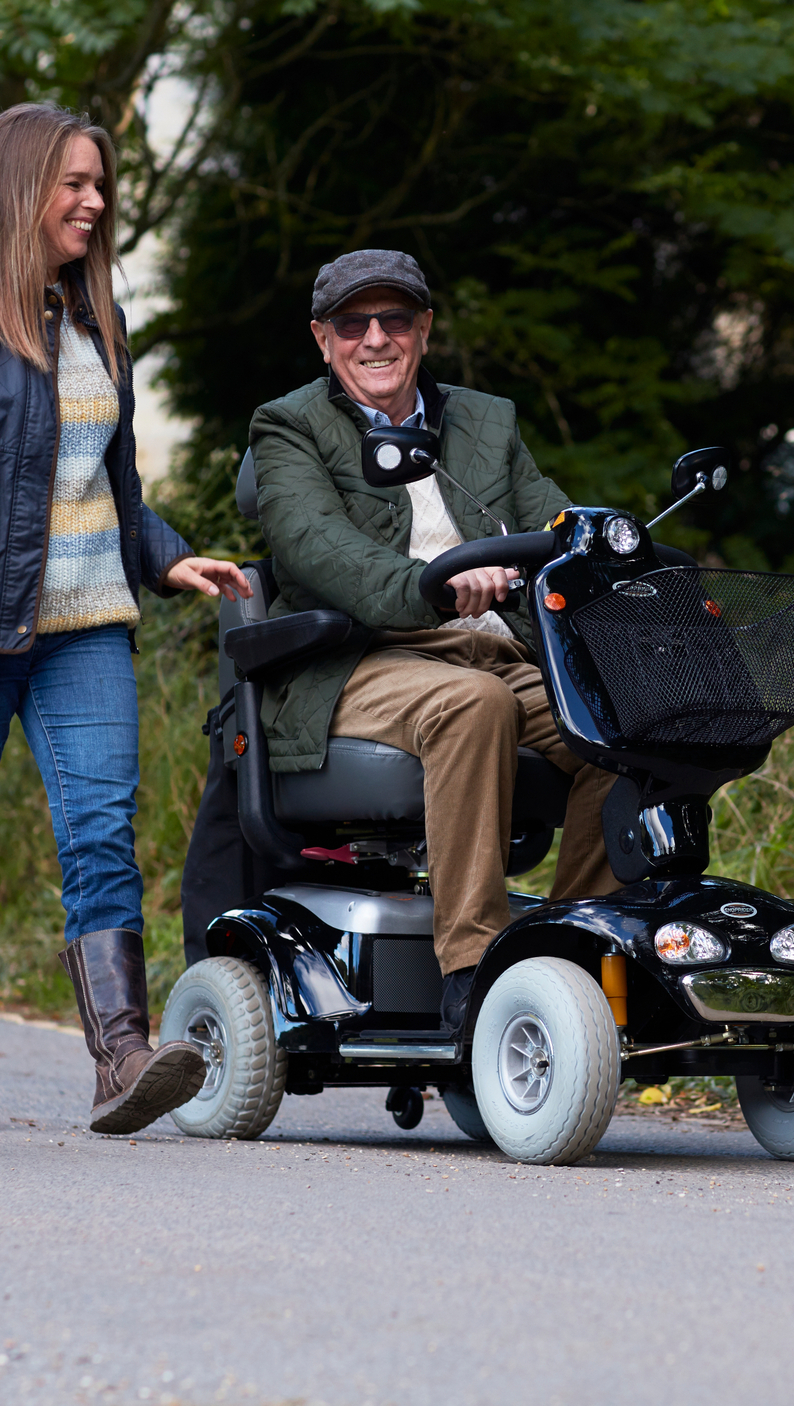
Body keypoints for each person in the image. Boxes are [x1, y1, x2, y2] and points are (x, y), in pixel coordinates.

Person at [0, 102, 252, 1136]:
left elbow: (110, 484)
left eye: (100, 185)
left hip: (84, 621)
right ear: (17, 188)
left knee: (99, 830)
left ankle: (120, 1055)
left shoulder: (96, 319)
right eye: (73, 183)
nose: (93, 202)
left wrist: (167, 553)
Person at [246, 249, 621, 1030]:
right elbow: (317, 545)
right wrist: (427, 587)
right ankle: (472, 969)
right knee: (473, 704)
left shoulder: (488, 421)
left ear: (424, 329)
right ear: (323, 339)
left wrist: (610, 548)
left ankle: (575, 953)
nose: (375, 339)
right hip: (357, 658)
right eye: (354, 323)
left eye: (395, 320)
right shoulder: (289, 426)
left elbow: (552, 521)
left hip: (500, 651)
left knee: (620, 727)